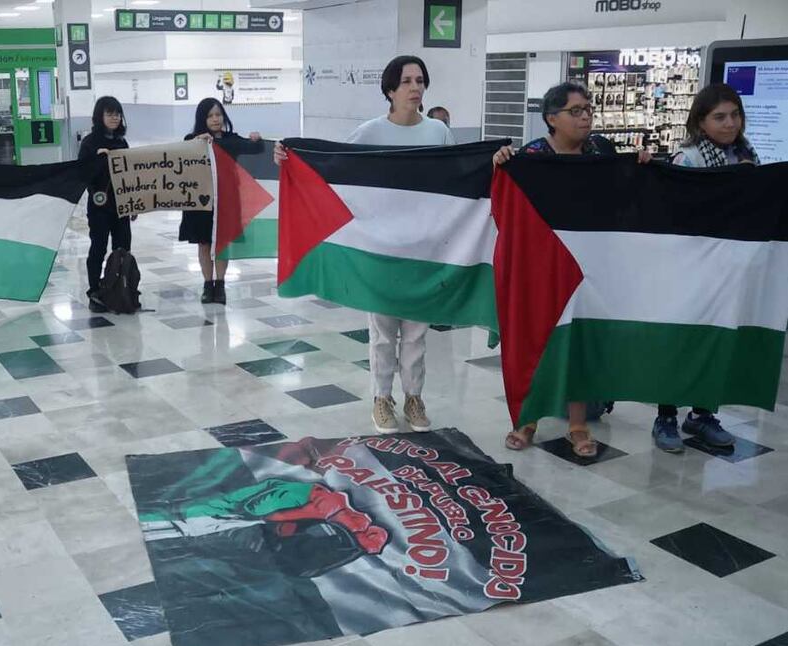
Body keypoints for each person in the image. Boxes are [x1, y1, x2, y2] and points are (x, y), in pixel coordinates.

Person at [276, 55, 454, 435]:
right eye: (406, 81)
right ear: (389, 90)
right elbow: (332, 166)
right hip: (380, 248)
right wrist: (291, 156)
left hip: (423, 249)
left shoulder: (437, 132)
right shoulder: (370, 133)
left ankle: (414, 398)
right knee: (383, 332)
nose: (415, 87)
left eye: (420, 80)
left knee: (418, 334)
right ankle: (381, 398)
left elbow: (456, 179)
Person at [492, 82, 651, 458]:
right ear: (551, 118)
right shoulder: (530, 157)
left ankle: (578, 423)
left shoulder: (601, 150)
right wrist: (500, 160)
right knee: (539, 337)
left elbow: (622, 194)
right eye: (575, 111)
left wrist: (641, 168)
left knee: (581, 337)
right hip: (543, 265)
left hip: (591, 263)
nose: (586, 117)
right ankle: (529, 418)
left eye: (588, 109)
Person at [647, 83, 754, 453]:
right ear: (701, 122)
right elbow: (674, 213)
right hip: (687, 268)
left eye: (735, 115)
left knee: (715, 340)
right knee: (680, 342)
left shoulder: (746, 156)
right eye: (719, 117)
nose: (730, 124)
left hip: (726, 269)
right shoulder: (688, 159)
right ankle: (666, 416)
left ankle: (703, 413)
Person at [179, 97, 261, 305]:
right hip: (200, 201)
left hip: (227, 199)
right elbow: (180, 159)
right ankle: (208, 285)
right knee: (204, 242)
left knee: (222, 243)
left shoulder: (231, 139)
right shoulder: (193, 139)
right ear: (202, 118)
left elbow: (257, 149)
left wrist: (256, 139)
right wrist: (198, 141)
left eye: (218, 115)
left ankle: (220, 284)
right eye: (210, 116)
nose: (215, 119)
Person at [77, 96, 132, 312]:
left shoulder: (122, 143)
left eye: (117, 114)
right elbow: (82, 173)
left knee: (123, 248)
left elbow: (130, 175)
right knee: (98, 248)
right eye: (109, 114)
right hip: (99, 206)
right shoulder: (90, 143)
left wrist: (133, 203)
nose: (114, 118)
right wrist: (96, 160)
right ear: (100, 116)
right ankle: (94, 290)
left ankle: (119, 287)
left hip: (121, 206)